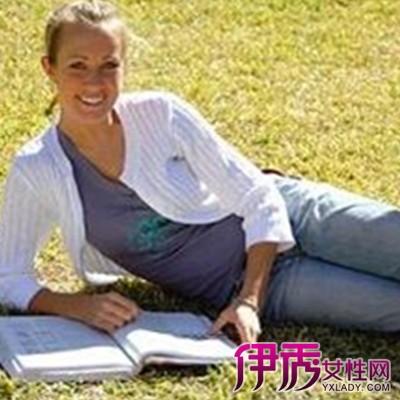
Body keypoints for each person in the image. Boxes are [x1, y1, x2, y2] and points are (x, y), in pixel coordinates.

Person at [1, 0, 400, 345]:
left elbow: (257, 195)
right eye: (77, 65)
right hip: (262, 282)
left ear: (124, 67)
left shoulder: (161, 114)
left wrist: (248, 302)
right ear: (49, 68)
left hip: (295, 215)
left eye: (109, 65)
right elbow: (8, 276)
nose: (95, 82)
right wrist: (74, 306)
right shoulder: (36, 167)